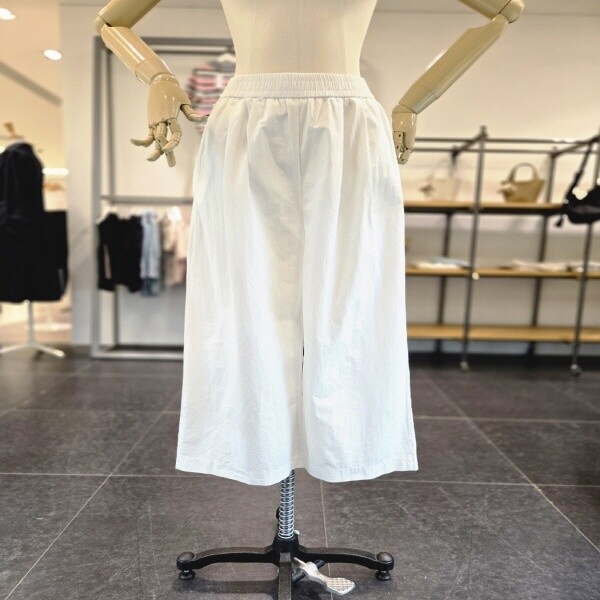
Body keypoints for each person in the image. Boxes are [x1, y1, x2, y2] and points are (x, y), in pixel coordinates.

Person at [95, 0, 524, 486]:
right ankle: (250, 449)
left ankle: (348, 448)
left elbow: (504, 9)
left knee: (354, 298)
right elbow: (111, 20)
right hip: (245, 121)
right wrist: (158, 78)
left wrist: (412, 103)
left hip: (348, 121)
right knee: (242, 297)